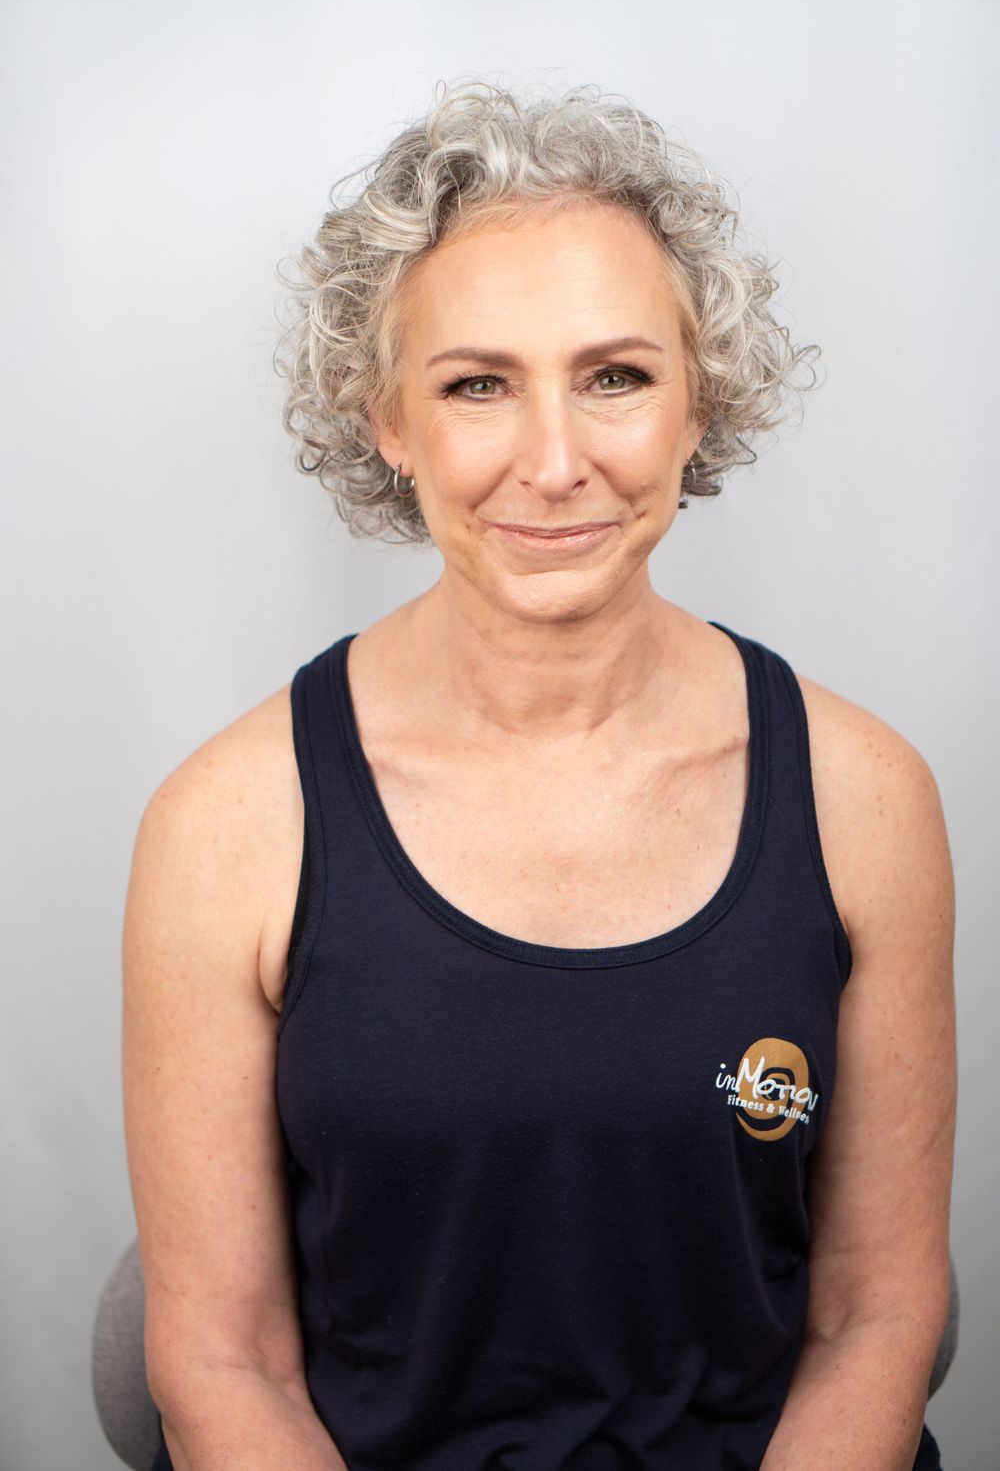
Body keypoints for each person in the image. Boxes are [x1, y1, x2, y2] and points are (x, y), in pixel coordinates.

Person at [123, 78, 956, 1471]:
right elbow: (223, 1362)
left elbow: (875, 1315)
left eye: (616, 376)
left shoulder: (862, 796)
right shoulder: (226, 825)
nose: (556, 462)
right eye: (477, 386)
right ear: (388, 421)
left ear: (703, 405)